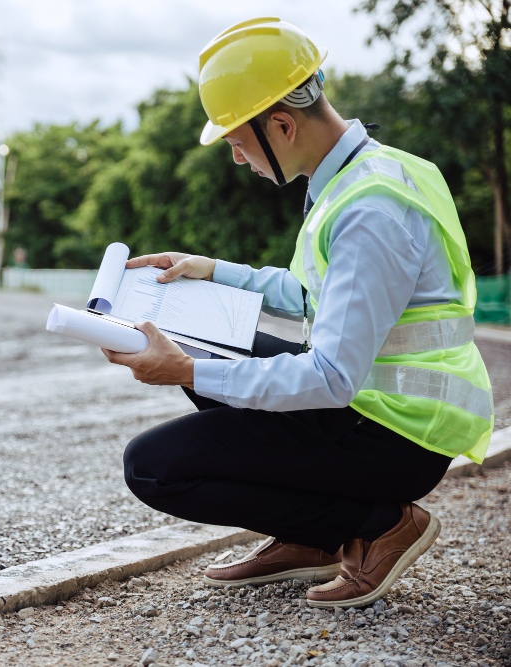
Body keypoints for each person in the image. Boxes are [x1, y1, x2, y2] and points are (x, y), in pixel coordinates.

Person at [102, 18, 494, 608]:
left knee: (153, 467)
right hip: (382, 406)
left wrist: (185, 371)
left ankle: (375, 524)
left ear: (280, 125)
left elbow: (332, 378)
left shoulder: (369, 209)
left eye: (237, 141)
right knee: (212, 345)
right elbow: (320, 289)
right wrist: (211, 269)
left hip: (397, 432)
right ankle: (314, 534)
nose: (237, 158)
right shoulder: (378, 172)